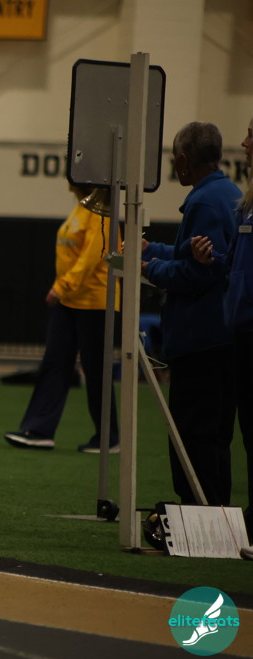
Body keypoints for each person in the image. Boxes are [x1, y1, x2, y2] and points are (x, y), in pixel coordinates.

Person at [138, 121, 238, 507]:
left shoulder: (203, 202)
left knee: (194, 435)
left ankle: (199, 513)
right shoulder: (227, 193)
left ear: (183, 159)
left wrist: (148, 269)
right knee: (215, 435)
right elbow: (191, 254)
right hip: (222, 336)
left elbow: (198, 272)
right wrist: (152, 250)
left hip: (200, 337)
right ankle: (215, 511)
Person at [4, 185, 121, 453]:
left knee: (95, 370)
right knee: (55, 363)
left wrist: (62, 286)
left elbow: (92, 257)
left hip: (94, 302)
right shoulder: (81, 209)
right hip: (68, 302)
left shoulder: (102, 214)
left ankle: (108, 438)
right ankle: (39, 430)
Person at [192, 115, 253, 530]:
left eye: (251, 135)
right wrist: (210, 258)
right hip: (242, 333)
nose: (244, 144)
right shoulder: (247, 203)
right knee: (247, 431)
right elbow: (234, 264)